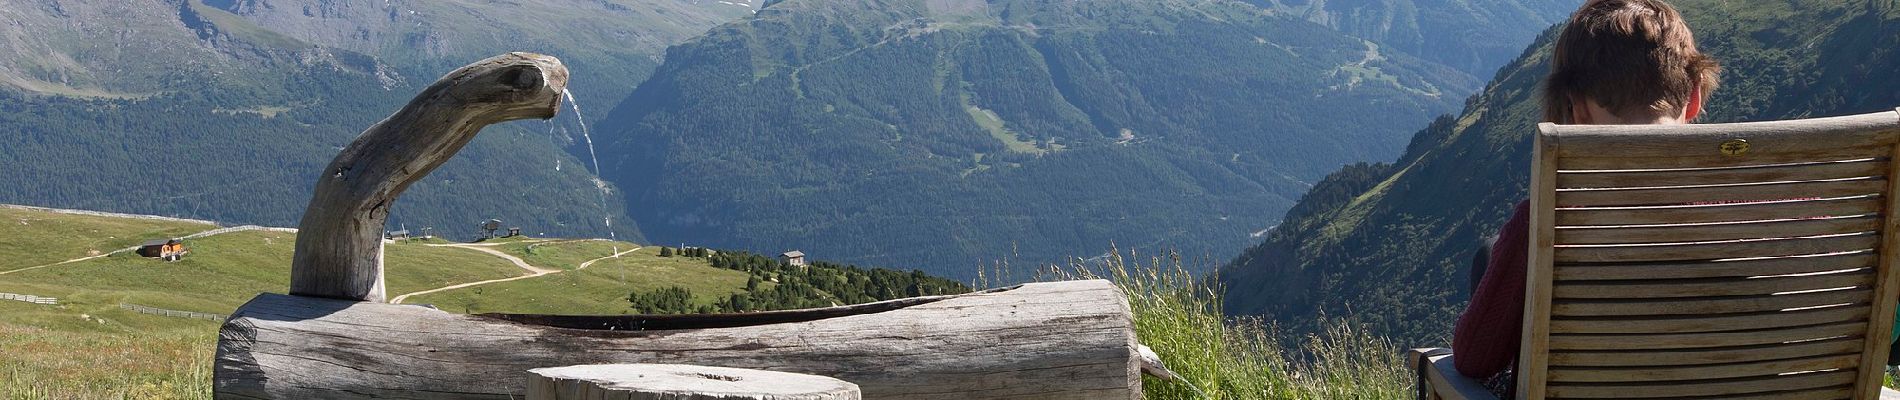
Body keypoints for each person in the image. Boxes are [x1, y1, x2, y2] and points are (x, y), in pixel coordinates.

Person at [1450, 0, 1720, 396]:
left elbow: (1474, 359)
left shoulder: (1546, 222)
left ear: (1576, 109)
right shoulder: (1783, 220)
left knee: (1489, 255)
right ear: (1694, 98)